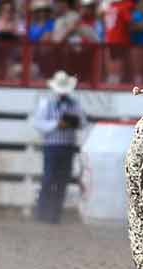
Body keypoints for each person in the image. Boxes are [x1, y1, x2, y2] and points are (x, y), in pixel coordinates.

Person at [32, 71, 88, 224]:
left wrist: (72, 122)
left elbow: (83, 122)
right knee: (49, 178)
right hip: (52, 146)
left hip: (67, 146)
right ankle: (42, 212)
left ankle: (54, 214)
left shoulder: (74, 104)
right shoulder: (46, 103)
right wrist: (57, 125)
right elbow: (38, 123)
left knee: (62, 180)